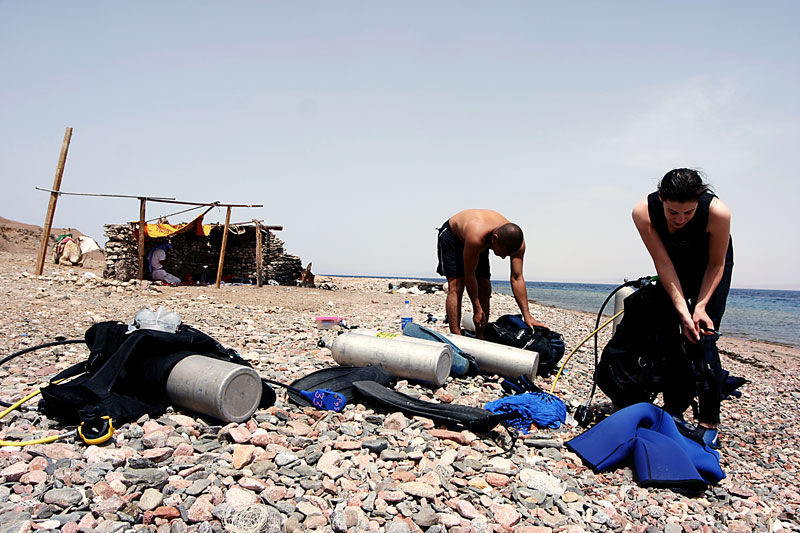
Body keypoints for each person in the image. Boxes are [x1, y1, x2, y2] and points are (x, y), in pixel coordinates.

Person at [632, 168, 734, 448]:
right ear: (661, 199)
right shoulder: (643, 212)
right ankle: (674, 407)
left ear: (699, 202)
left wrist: (699, 307)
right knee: (666, 330)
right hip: (673, 264)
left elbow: (717, 263)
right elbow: (663, 264)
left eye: (688, 213)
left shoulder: (718, 213)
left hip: (711, 266)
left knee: (702, 335)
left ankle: (709, 422)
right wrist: (681, 311)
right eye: (673, 212)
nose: (680, 219)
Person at [436, 209, 547, 338]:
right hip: (453, 236)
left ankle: (481, 335)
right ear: (495, 239)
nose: (503, 257)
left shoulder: (518, 244)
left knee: (485, 287)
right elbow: (469, 275)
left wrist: (527, 315)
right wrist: (477, 308)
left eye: (507, 255)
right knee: (457, 285)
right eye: (502, 252)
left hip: (482, 239)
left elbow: (517, 278)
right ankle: (456, 335)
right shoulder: (477, 237)